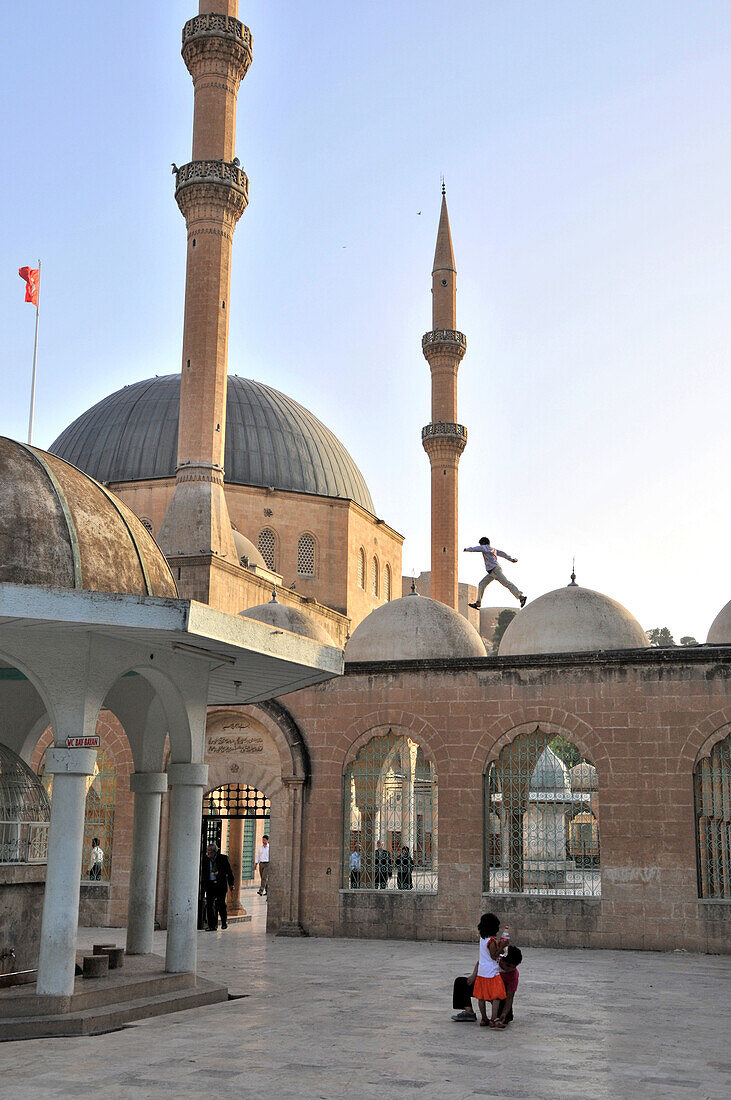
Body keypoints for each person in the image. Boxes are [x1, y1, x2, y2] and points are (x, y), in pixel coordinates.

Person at [451, 944, 522, 1025]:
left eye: (513, 967)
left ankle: (496, 1017)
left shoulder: (513, 975)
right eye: (508, 966)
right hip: (485, 988)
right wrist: (474, 974)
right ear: (501, 960)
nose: (510, 969)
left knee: (507, 1017)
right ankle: (469, 1012)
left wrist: (504, 1013)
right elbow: (481, 962)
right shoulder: (494, 959)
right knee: (460, 982)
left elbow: (510, 997)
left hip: (500, 995)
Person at [463, 537, 527, 609]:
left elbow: (475, 549)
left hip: (495, 570)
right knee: (482, 584)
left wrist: (466, 549)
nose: (481, 546)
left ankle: (521, 597)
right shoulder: (493, 549)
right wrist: (511, 559)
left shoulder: (485, 547)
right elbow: (503, 554)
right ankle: (478, 602)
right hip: (493, 571)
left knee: (506, 583)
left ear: (483, 543)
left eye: (481, 544)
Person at [469, 912, 506, 1027]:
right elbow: (494, 955)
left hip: (482, 972)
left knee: (481, 997)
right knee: (496, 996)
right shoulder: (491, 941)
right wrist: (502, 946)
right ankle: (493, 1019)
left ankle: (483, 1018)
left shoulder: (482, 938)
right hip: (492, 972)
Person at [203, 842, 234, 930]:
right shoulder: (205, 859)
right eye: (207, 851)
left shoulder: (223, 858)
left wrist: (231, 884)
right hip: (210, 885)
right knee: (209, 905)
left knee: (221, 904)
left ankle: (224, 922)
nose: (208, 852)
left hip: (220, 885)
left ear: (214, 851)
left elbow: (229, 872)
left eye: (209, 851)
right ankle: (212, 925)